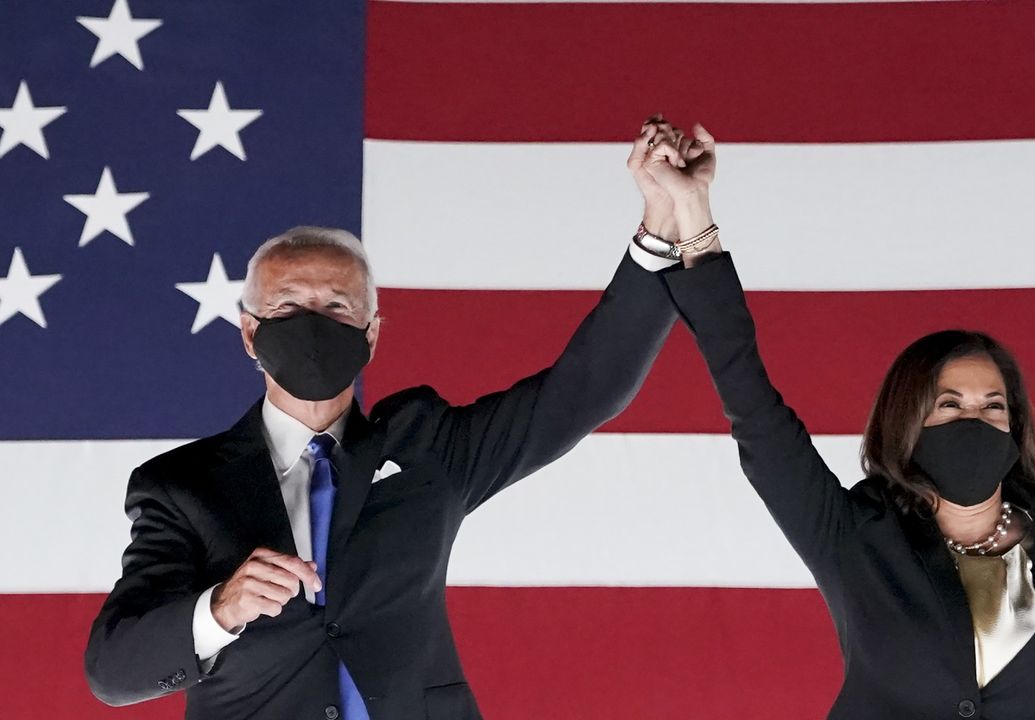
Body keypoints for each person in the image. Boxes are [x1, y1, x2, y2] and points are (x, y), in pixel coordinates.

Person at [84, 120, 688, 720]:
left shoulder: (427, 447)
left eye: (337, 307)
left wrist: (662, 224)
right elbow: (113, 670)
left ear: (371, 334)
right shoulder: (182, 485)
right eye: (287, 306)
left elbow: (586, 390)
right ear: (249, 333)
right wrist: (219, 610)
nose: (312, 325)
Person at [637, 121, 1035, 719]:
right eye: (950, 404)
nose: (975, 417)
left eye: (993, 406)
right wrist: (693, 213)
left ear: (1016, 426)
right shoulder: (855, 537)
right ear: (908, 422)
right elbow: (757, 416)